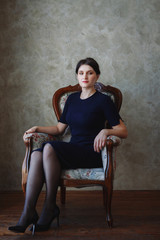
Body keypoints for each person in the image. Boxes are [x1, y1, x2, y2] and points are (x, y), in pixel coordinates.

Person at [8, 57, 128, 234]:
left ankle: (49, 208)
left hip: (91, 152)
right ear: (77, 76)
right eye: (81, 73)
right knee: (36, 154)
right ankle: (28, 212)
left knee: (49, 148)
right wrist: (37, 128)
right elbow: (59, 129)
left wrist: (106, 131)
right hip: (73, 150)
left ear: (97, 76)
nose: (85, 76)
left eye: (90, 73)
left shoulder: (103, 100)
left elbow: (123, 130)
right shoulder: (71, 99)